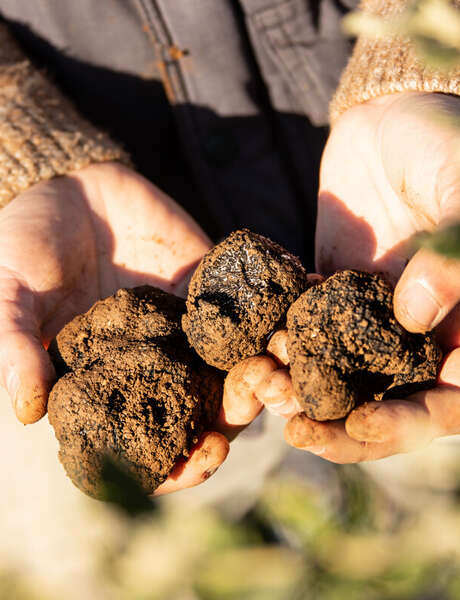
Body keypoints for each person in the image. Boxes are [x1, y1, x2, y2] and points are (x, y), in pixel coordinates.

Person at [0, 0, 459, 496]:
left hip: (388, 204)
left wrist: (423, 58)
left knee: (414, 501)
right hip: (100, 233)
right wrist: (20, 140)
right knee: (171, 547)